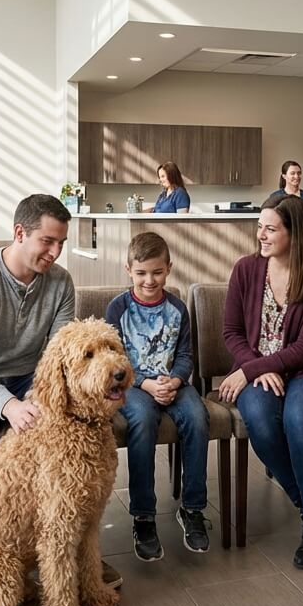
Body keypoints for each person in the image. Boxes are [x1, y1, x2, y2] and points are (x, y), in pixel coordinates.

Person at [0, 194, 123, 587]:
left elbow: (59, 357)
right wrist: (10, 406)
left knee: (71, 427)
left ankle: (57, 550)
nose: (55, 252)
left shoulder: (61, 283)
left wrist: (42, 397)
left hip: (26, 377)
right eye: (47, 242)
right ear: (20, 233)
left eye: (61, 243)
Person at [217, 194, 303, 569]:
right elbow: (231, 333)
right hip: (257, 370)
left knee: (297, 416)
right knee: (259, 417)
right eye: (259, 226)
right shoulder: (245, 269)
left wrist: (253, 370)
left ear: (294, 233)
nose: (260, 234)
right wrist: (255, 367)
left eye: (270, 228)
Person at [104, 232, 210, 561]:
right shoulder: (118, 308)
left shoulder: (177, 308)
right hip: (134, 386)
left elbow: (185, 356)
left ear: (169, 269)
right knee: (143, 419)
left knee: (197, 417)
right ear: (128, 270)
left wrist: (176, 381)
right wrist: (146, 384)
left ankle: (192, 509)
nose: (149, 280)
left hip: (173, 383)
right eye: (141, 273)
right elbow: (114, 360)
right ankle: (143, 516)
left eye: (157, 272)